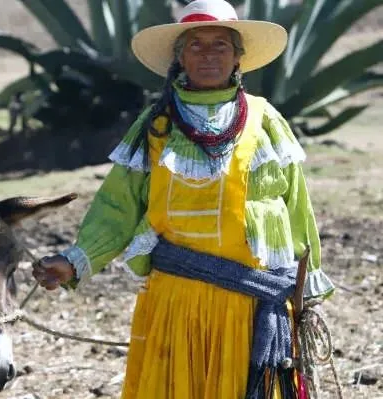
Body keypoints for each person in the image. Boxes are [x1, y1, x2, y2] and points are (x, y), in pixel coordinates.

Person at [32, 0, 335, 398]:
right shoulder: (156, 125)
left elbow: (297, 205)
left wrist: (306, 288)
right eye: (196, 45)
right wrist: (74, 262)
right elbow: (117, 207)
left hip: (252, 305)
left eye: (220, 45)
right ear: (179, 57)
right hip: (176, 302)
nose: (208, 54)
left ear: (238, 57)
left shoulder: (265, 120)